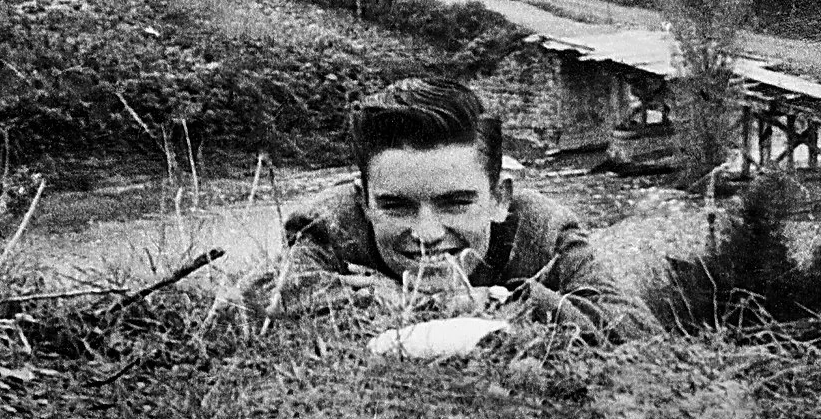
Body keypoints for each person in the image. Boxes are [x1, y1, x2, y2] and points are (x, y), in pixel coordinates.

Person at [256, 74, 652, 339]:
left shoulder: (545, 230)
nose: (427, 234)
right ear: (364, 202)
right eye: (396, 206)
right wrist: (374, 299)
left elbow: (637, 328)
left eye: (456, 203)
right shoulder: (326, 224)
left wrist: (507, 301)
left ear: (500, 199)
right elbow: (256, 304)